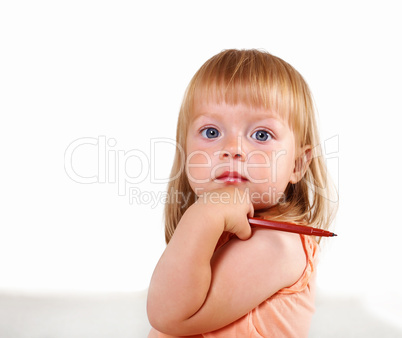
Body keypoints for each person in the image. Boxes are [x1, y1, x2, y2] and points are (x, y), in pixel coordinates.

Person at [147, 49, 337, 337]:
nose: (233, 149)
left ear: (297, 164)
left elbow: (167, 315)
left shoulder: (275, 244)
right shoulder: (220, 230)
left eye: (261, 135)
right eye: (211, 132)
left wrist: (203, 216)